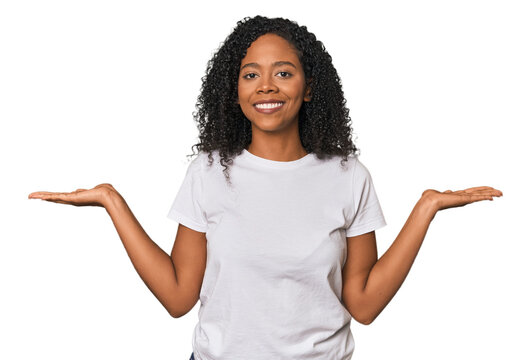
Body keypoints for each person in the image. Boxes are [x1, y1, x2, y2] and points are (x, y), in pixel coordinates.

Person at [28, 15, 502, 360]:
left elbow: (364, 304)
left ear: (309, 88)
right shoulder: (209, 171)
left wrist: (425, 209)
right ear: (234, 91)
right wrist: (112, 201)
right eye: (251, 74)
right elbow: (177, 297)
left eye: (283, 72)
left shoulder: (347, 176)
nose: (266, 86)